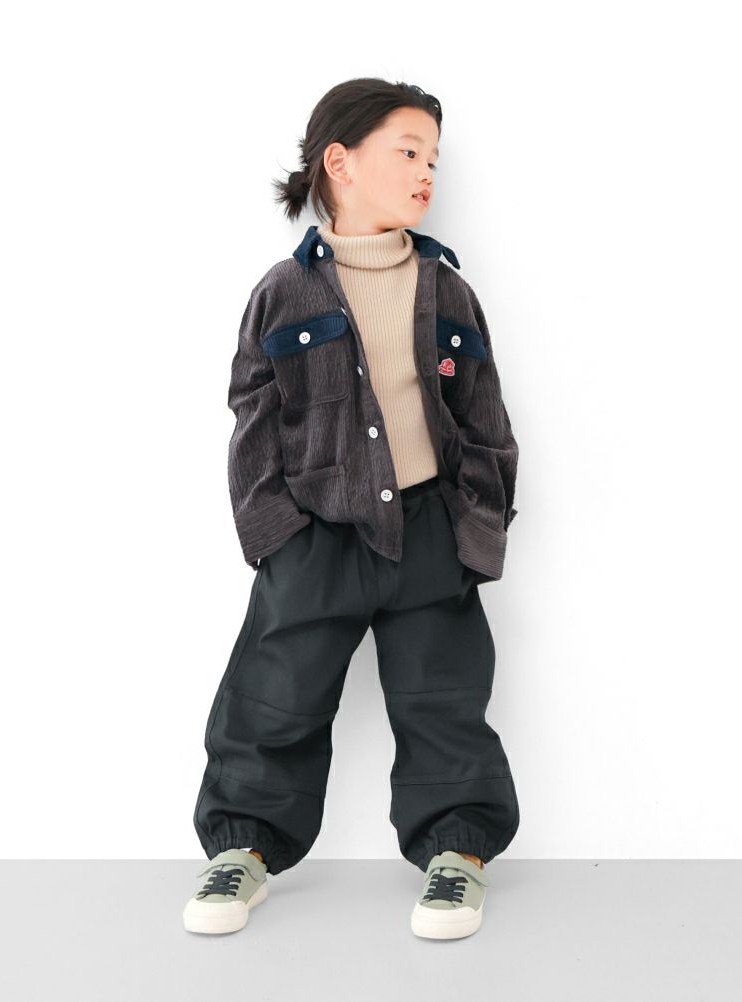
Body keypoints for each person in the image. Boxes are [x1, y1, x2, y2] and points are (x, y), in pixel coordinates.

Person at [184, 77, 520, 941]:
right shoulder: (283, 292)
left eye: (434, 158)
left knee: (443, 698)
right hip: (317, 535)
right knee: (274, 696)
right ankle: (242, 850)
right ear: (339, 162)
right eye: (408, 152)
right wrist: (277, 538)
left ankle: (457, 855)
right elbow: (253, 423)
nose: (427, 172)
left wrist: (476, 530)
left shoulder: (447, 290)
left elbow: (484, 419)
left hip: (430, 532)